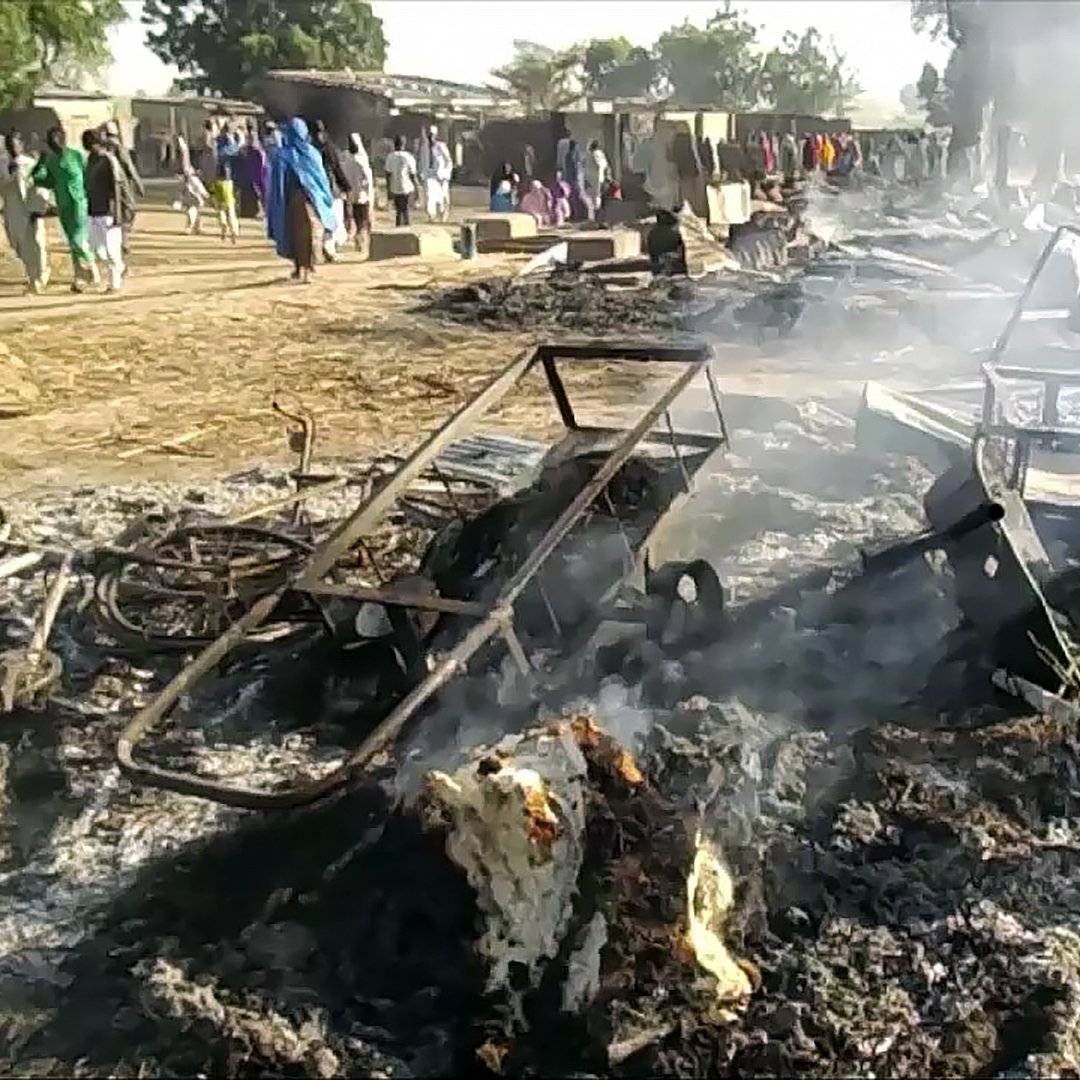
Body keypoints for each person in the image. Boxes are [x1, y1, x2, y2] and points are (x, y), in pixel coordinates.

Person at [266, 117, 338, 284]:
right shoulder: (312, 153)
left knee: (295, 235)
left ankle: (301, 268)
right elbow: (321, 180)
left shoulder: (282, 155)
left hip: (292, 201)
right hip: (313, 201)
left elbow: (277, 183)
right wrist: (324, 197)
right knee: (311, 234)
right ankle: (307, 267)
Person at [31, 126, 97, 292]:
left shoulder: (76, 156)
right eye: (50, 141)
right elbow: (42, 181)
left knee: (77, 239)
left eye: (55, 140)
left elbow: (88, 177)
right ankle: (80, 278)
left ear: (62, 139)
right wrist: (40, 163)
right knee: (73, 243)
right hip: (63, 205)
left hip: (79, 203)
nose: (53, 144)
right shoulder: (51, 160)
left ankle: (92, 271)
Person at [82, 127, 131, 292]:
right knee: (98, 250)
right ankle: (120, 266)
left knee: (111, 250)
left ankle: (114, 282)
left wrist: (118, 213)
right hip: (93, 211)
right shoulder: (89, 161)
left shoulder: (109, 161)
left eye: (89, 143)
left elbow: (116, 187)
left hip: (108, 212)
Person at [1, 131, 49, 293]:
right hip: (13, 213)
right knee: (19, 246)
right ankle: (33, 277)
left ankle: (39, 279)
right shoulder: (6, 165)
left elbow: (39, 186)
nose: (12, 148)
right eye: (9, 145)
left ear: (21, 145)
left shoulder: (29, 164)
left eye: (14, 144)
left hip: (30, 211)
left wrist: (38, 208)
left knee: (35, 245)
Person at [102, 119, 143, 262]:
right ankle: (123, 244)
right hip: (122, 187)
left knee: (116, 216)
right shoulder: (119, 148)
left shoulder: (102, 149)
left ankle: (120, 244)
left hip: (109, 190)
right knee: (127, 215)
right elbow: (129, 167)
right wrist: (139, 185)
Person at [310, 120, 351, 260]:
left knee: (319, 220)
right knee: (332, 219)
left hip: (314, 189)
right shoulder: (328, 148)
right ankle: (328, 249)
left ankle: (321, 249)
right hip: (329, 189)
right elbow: (336, 168)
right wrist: (345, 186)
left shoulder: (308, 148)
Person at [340, 132, 374, 253]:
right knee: (362, 221)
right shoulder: (361, 159)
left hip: (350, 195)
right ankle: (360, 241)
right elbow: (368, 180)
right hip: (362, 196)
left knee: (354, 218)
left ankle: (357, 240)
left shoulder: (345, 158)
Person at [211, 123, 240, 242]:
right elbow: (237, 149)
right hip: (228, 180)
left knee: (221, 207)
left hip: (217, 178)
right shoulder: (230, 150)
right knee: (231, 207)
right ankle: (234, 230)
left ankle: (223, 223)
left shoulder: (218, 146)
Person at [175, 134, 209, 234]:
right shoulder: (189, 173)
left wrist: (203, 192)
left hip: (192, 191)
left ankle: (190, 227)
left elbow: (185, 163)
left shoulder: (190, 172)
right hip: (192, 190)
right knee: (194, 210)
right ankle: (197, 227)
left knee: (192, 210)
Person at [419, 125, 453, 223]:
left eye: (431, 134)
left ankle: (443, 215)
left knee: (443, 197)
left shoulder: (441, 146)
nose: (430, 137)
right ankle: (431, 216)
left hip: (441, 176)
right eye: (428, 134)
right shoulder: (424, 147)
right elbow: (422, 161)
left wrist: (446, 174)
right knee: (429, 196)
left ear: (435, 135)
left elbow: (448, 161)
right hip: (429, 175)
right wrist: (421, 173)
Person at [384, 134, 418, 227]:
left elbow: (388, 174)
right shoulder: (408, 157)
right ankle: (407, 227)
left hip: (395, 187)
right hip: (407, 187)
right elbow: (412, 175)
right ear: (404, 144)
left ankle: (398, 227)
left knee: (398, 211)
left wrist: (388, 190)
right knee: (406, 209)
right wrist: (416, 188)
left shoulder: (390, 157)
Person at [236, 130, 268, 219]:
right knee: (257, 194)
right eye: (248, 138)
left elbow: (263, 163)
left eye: (251, 138)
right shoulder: (247, 150)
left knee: (262, 195)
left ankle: (265, 211)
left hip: (260, 176)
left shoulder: (259, 151)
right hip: (252, 175)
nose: (250, 140)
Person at [583, 139, 611, 221]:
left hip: (594, 179)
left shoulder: (595, 154)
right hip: (597, 178)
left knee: (594, 197)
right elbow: (605, 165)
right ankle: (596, 217)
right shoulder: (599, 154)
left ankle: (595, 217)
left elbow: (599, 165)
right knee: (595, 197)